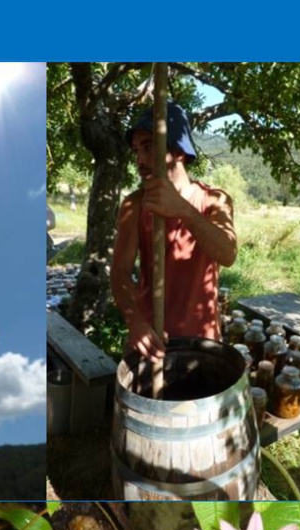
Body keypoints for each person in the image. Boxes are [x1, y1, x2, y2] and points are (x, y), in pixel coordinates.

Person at [110, 101, 237, 362]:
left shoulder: (215, 200)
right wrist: (135, 322)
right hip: (151, 341)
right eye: (136, 150)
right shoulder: (134, 205)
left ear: (178, 150)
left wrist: (183, 209)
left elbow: (227, 254)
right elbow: (120, 272)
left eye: (148, 148)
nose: (140, 160)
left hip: (202, 342)